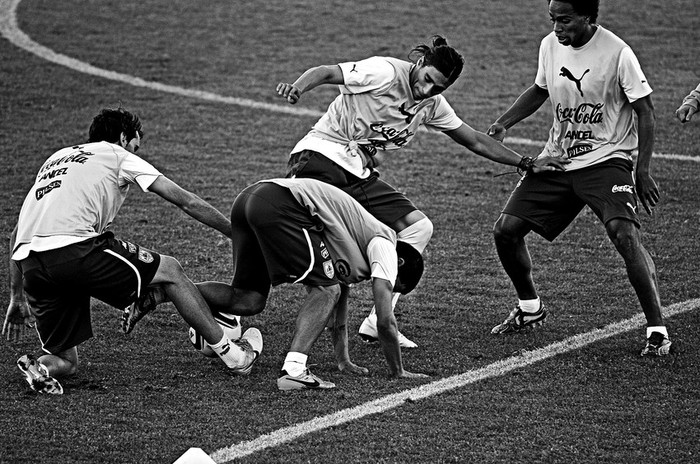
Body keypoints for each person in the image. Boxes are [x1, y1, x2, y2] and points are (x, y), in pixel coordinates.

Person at [276, 35, 568, 348]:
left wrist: (525, 162)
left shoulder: (432, 105)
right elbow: (327, 72)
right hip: (320, 157)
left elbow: (473, 139)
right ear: (419, 64)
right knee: (303, 242)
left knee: (418, 227)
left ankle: (379, 321)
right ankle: (241, 304)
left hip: (357, 174)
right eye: (427, 79)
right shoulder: (385, 72)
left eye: (439, 87)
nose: (428, 90)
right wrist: (298, 87)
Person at [2, 107, 262, 395]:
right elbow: (184, 200)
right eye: (136, 145)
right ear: (124, 137)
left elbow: (17, 234)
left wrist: (16, 296)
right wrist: (234, 233)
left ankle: (41, 368)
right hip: (75, 251)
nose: (136, 152)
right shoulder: (117, 155)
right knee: (171, 270)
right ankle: (235, 357)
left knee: (67, 360)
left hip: (32, 268)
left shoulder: (55, 159)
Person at [486, 0, 671, 356]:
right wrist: (505, 121)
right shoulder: (550, 45)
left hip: (607, 159)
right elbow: (540, 89)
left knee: (624, 234)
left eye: (565, 20)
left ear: (588, 18)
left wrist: (642, 170)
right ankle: (530, 308)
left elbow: (645, 111)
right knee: (505, 231)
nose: (557, 28)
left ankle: (657, 329)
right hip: (558, 158)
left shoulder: (618, 53)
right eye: (553, 19)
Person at [144, 177, 428, 390]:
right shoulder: (387, 246)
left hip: (248, 200)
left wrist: (343, 360)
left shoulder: (359, 245)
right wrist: (397, 371)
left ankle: (164, 292)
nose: (386, 289)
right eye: (394, 285)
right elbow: (385, 321)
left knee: (249, 299)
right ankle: (294, 369)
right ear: (399, 265)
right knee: (324, 289)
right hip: (281, 203)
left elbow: (339, 301)